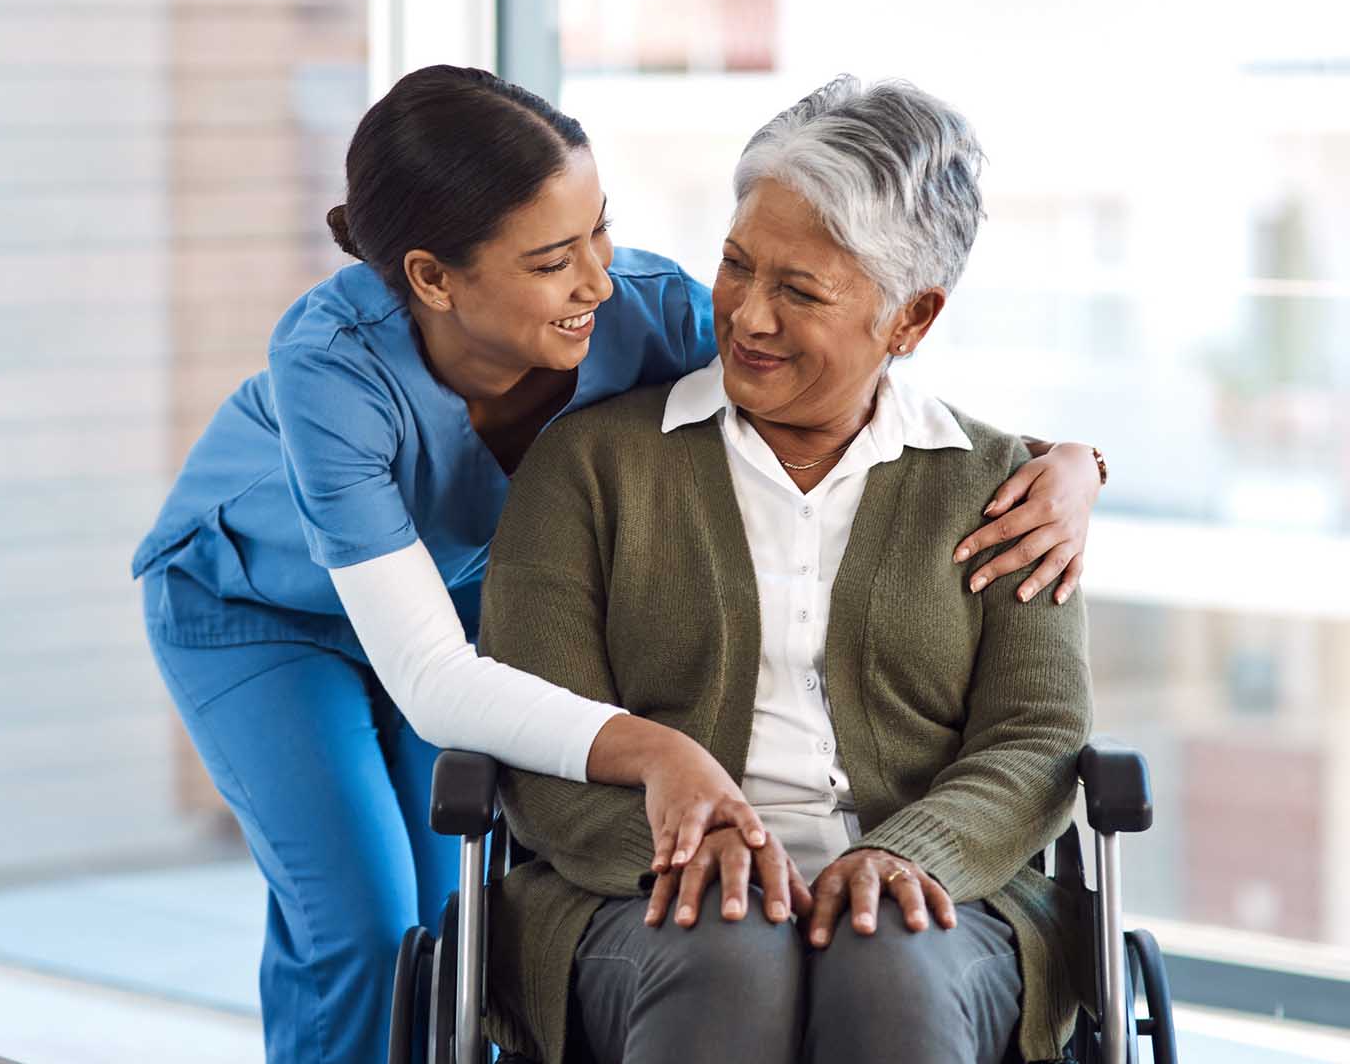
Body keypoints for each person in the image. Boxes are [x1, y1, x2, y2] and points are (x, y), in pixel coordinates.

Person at [130, 65, 1103, 1064]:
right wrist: (660, 756)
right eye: (555, 258)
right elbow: (433, 680)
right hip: (265, 615)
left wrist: (1070, 467)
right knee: (366, 930)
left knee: (439, 928)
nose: (597, 279)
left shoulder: (647, 312)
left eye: (601, 232)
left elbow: (875, 412)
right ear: (434, 279)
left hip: (454, 606)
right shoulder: (333, 367)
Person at [477, 76, 1093, 1064]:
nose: (749, 317)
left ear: (911, 319)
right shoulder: (591, 466)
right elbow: (538, 724)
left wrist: (908, 853)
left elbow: (1036, 736)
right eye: (736, 266)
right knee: (727, 950)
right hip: (642, 897)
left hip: (937, 903)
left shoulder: (1005, 494)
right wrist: (690, 854)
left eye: (800, 292)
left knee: (886, 957)